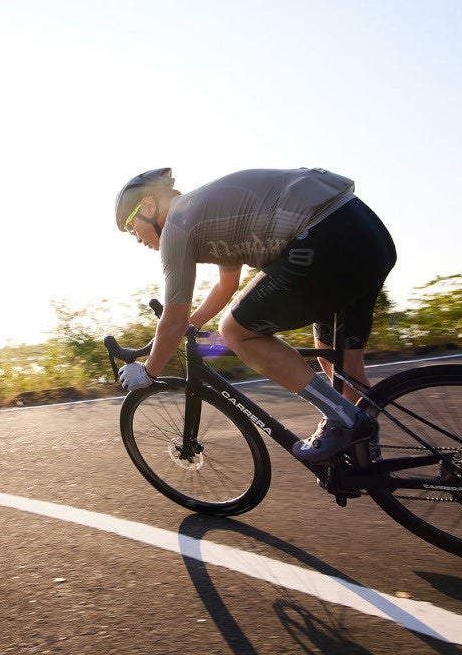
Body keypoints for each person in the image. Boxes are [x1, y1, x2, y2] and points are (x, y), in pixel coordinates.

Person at [113, 167, 396, 463]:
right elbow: (226, 286)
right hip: (365, 232)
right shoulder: (206, 213)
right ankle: (367, 455)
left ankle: (345, 420)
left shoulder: (177, 225)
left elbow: (173, 319)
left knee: (235, 332)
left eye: (132, 226)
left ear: (148, 206)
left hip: (325, 237)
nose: (135, 238)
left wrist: (148, 372)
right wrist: (189, 326)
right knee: (337, 362)